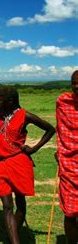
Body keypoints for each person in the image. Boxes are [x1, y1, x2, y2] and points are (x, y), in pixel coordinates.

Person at [0, 86, 55, 244]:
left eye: (0, 101)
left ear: (11, 100)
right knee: (7, 205)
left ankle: (13, 233)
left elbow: (50, 129)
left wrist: (34, 149)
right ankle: (15, 240)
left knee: (20, 203)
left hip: (18, 163)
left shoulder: (24, 115)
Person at [56, 70, 78, 244]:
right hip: (69, 164)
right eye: (73, 83)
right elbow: (61, 131)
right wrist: (61, 151)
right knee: (70, 212)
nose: (76, 86)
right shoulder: (63, 102)